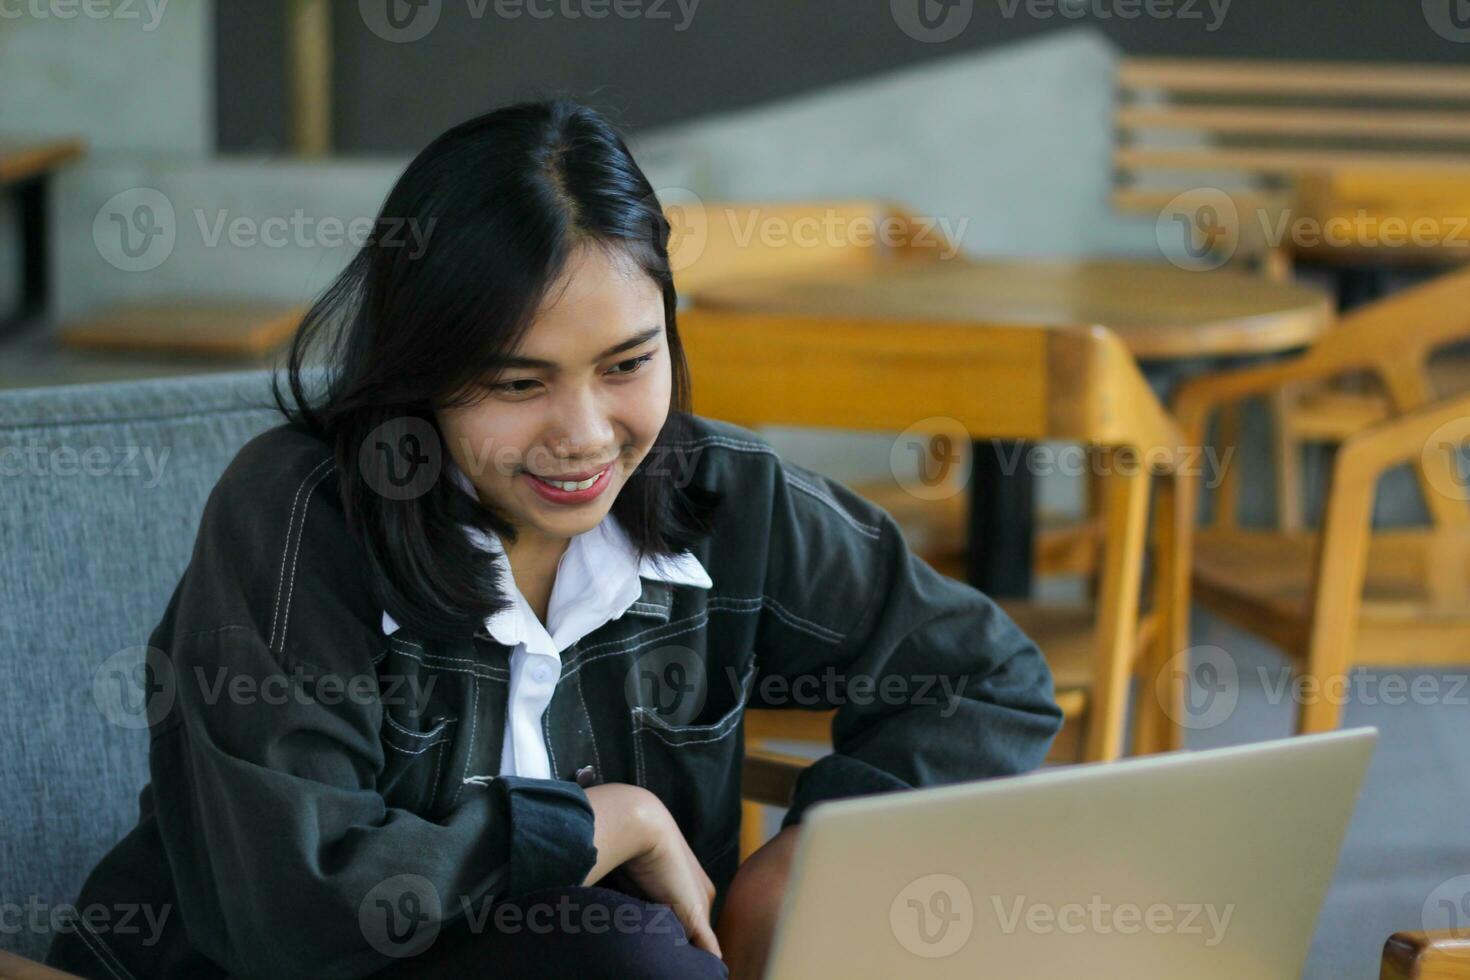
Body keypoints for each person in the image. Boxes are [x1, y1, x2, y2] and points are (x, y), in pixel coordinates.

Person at [46, 98, 1064, 980]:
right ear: (421, 371)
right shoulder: (297, 515)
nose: (584, 434)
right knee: (620, 952)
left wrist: (810, 856)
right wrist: (602, 820)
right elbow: (294, 905)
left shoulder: (728, 495)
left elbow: (980, 677)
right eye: (518, 382)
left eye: (627, 363)